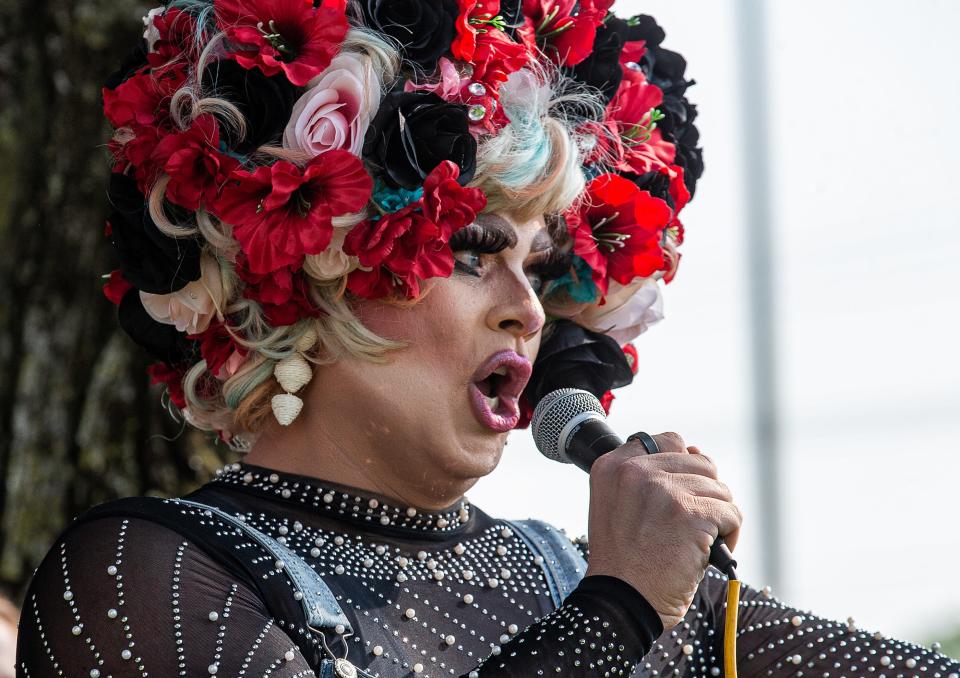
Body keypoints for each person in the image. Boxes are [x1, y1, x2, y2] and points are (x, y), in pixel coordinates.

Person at [14, 1, 959, 677]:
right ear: (307, 270)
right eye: (472, 251)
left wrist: (631, 598)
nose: (529, 310)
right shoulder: (142, 571)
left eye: (540, 267)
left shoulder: (580, 568)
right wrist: (617, 616)